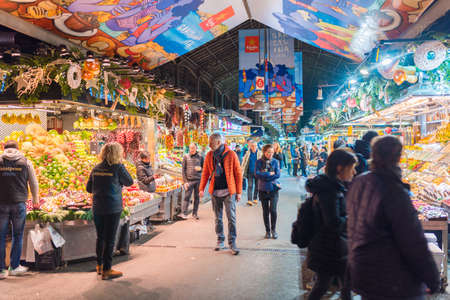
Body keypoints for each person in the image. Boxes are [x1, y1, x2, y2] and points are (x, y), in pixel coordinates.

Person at [346, 136, 440, 300]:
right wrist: (432, 278)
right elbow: (412, 241)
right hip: (392, 278)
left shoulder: (359, 182)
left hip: (362, 269)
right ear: (397, 157)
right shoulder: (394, 190)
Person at [305, 149, 357, 300]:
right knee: (326, 285)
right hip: (329, 250)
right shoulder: (330, 192)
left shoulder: (332, 187)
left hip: (331, 248)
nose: (354, 172)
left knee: (340, 285)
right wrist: (353, 217)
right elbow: (333, 223)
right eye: (351, 168)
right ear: (340, 168)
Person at [86, 142, 133, 280]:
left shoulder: (96, 168)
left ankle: (99, 266)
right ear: (117, 153)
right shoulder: (118, 168)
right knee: (110, 239)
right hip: (113, 207)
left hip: (98, 207)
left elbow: (89, 188)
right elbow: (129, 181)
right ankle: (107, 269)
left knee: (100, 237)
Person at [0, 140, 39, 279]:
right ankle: (14, 266)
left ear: (4, 148)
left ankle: (1, 270)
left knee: (1, 236)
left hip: (1, 203)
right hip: (19, 203)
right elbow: (33, 183)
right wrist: (35, 200)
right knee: (18, 235)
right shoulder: (26, 162)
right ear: (17, 148)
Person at [199, 133, 243, 255]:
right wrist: (201, 188)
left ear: (218, 142)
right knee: (217, 218)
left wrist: (239, 192)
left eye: (211, 143)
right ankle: (220, 239)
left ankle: (232, 242)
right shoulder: (209, 155)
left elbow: (238, 174)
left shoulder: (231, 154)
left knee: (231, 218)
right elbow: (205, 173)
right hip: (215, 192)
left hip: (229, 191)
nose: (209, 145)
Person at [255, 144, 281, 239]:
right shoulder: (258, 162)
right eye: (268, 152)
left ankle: (274, 230)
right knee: (265, 211)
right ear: (264, 152)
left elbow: (278, 174)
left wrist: (264, 175)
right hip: (262, 189)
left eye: (272, 152)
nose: (270, 154)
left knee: (273, 210)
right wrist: (269, 173)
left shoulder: (275, 162)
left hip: (274, 189)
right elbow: (257, 174)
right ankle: (267, 231)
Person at [181, 143, 204, 220]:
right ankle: (184, 213)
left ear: (196, 148)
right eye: (190, 148)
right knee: (187, 196)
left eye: (193, 148)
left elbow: (204, 169)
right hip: (189, 180)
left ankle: (195, 213)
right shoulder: (185, 157)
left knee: (196, 197)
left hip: (198, 180)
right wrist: (185, 182)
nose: (192, 149)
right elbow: (183, 170)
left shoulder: (200, 157)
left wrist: (200, 169)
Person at [241, 140, 261, 206]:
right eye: (252, 146)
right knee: (250, 186)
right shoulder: (247, 153)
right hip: (250, 172)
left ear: (257, 146)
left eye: (255, 146)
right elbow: (244, 162)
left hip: (258, 172)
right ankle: (249, 200)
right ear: (250, 147)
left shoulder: (260, 153)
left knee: (257, 186)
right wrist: (242, 169)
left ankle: (255, 198)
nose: (254, 147)